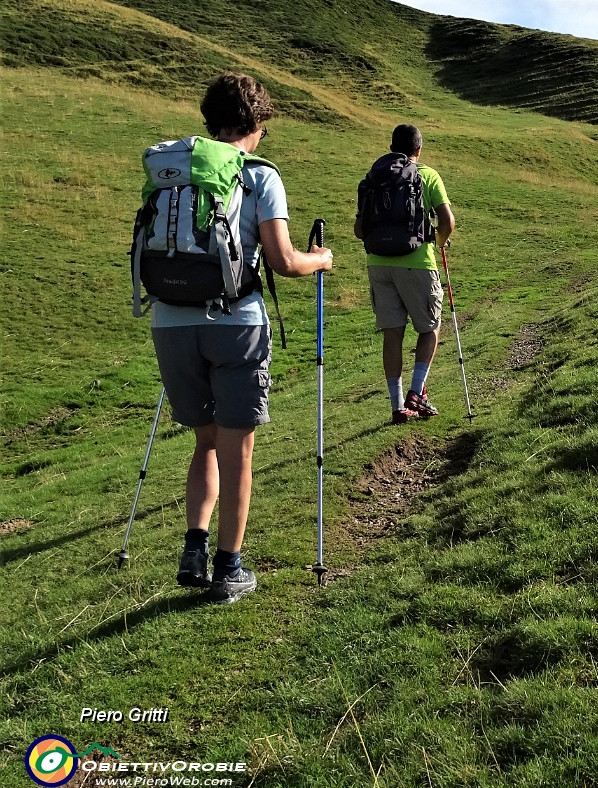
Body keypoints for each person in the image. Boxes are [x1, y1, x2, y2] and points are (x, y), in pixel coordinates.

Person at [148, 73, 333, 605]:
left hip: (170, 321)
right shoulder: (258, 176)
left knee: (205, 440)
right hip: (235, 323)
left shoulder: (171, 172)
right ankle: (229, 568)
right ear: (257, 123)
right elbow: (283, 261)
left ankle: (193, 549)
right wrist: (321, 259)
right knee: (238, 449)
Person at [355, 124, 454, 425]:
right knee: (429, 328)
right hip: (417, 264)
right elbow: (447, 221)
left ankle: (398, 406)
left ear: (391, 146)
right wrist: (436, 239)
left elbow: (360, 229)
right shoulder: (426, 174)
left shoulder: (374, 178)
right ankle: (416, 393)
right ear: (418, 150)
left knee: (392, 334)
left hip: (378, 264)